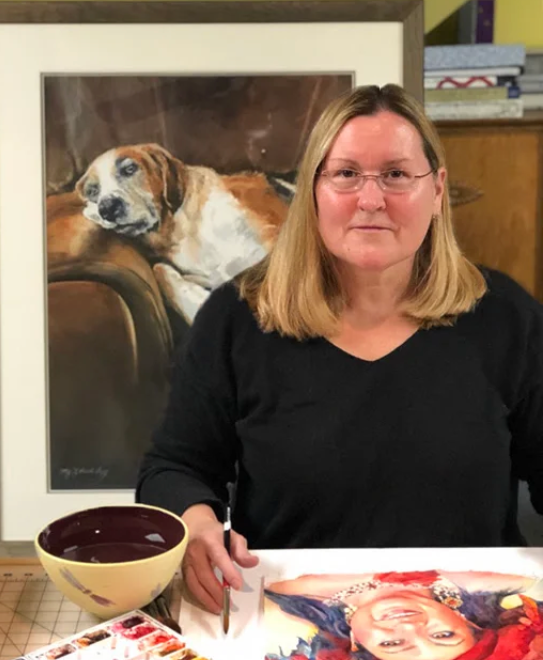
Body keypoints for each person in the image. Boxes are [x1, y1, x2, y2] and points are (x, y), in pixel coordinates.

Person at [135, 83, 543, 616]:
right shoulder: (237, 318)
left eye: (396, 174)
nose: (370, 199)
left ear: (437, 190)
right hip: (289, 617)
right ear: (313, 191)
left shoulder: (505, 316)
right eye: (346, 174)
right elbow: (173, 465)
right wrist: (195, 524)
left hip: (467, 620)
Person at [263, 569, 543, 660]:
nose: (409, 628)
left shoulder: (288, 598)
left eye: (392, 644)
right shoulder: (499, 577)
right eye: (442, 635)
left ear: (358, 643)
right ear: (465, 620)